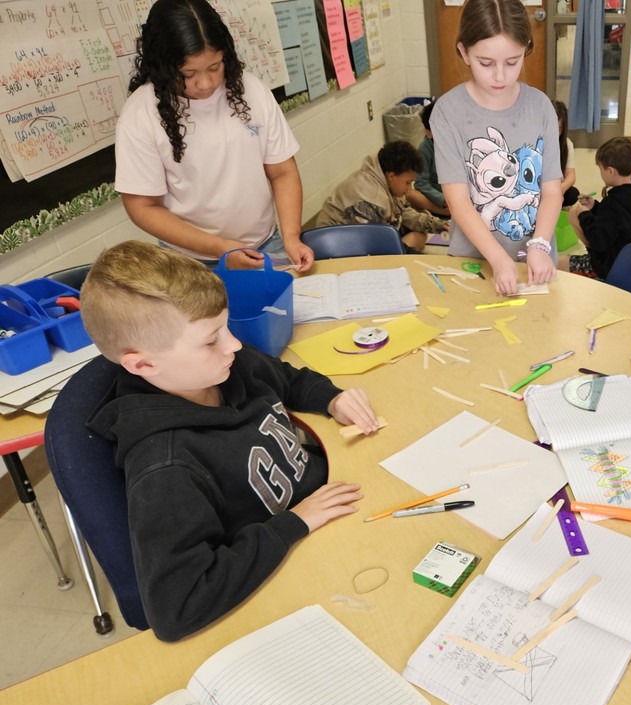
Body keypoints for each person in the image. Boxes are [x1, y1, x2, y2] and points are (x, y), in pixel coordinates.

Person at [78, 242, 379, 641]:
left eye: (227, 327)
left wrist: (331, 398)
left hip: (329, 508)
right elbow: (177, 608)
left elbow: (286, 378)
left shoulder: (225, 365)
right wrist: (292, 524)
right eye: (211, 339)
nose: (234, 344)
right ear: (143, 364)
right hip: (289, 566)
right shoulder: (166, 469)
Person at [115, 0, 313, 271]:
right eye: (188, 74)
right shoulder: (140, 115)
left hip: (265, 245)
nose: (205, 83)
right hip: (188, 261)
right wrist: (220, 248)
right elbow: (143, 208)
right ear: (163, 66)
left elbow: (282, 172)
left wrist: (291, 237)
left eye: (214, 67)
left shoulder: (251, 91)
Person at [430, 0, 562, 296]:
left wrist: (540, 244)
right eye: (486, 63)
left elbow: (552, 190)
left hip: (534, 263)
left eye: (512, 62)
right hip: (475, 263)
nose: (500, 76)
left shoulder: (540, 107)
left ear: (526, 48)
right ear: (464, 52)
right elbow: (458, 202)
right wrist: (499, 259)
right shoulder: (448, 112)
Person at [314, 141, 448, 253]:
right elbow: (375, 250)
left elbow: (404, 212)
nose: (409, 189)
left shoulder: (387, 180)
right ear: (391, 176)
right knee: (416, 239)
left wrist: (439, 225)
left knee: (419, 234)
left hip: (362, 236)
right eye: (408, 183)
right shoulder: (369, 199)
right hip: (334, 248)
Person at [562, 136, 631, 280]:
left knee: (557, 263)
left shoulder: (612, 204)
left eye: (601, 170)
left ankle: (598, 273)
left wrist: (584, 215)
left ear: (611, 171)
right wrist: (595, 206)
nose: (601, 174)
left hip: (611, 267)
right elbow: (620, 221)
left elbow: (599, 240)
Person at [405, 101, 451, 218]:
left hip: (461, 194)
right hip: (441, 199)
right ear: (428, 133)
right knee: (411, 194)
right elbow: (421, 183)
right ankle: (445, 212)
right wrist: (442, 199)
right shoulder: (424, 150)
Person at [552, 99, 580, 208]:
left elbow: (571, 175)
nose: (554, 133)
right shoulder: (534, 141)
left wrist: (561, 189)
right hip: (538, 189)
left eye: (559, 129)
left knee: (573, 194)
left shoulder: (566, 144)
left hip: (556, 188)